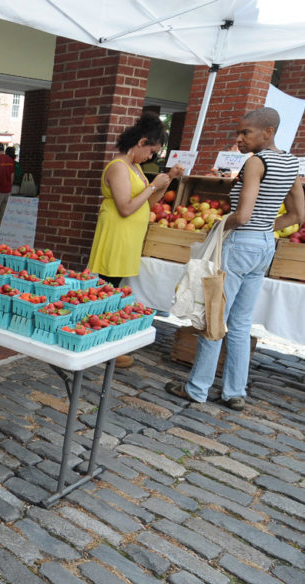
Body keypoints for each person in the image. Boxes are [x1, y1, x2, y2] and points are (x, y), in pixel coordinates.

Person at [166, 107, 303, 411]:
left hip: (240, 243)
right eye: (239, 132)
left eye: (246, 132)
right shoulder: (291, 163)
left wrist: (219, 226)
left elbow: (242, 215)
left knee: (215, 316)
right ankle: (234, 392)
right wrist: (265, 230)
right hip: (265, 245)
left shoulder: (256, 162)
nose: (239, 138)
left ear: (268, 132)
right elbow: (297, 215)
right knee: (240, 323)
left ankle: (198, 388)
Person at [87, 114, 183, 368]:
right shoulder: (119, 166)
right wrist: (153, 187)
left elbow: (148, 204)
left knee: (112, 288)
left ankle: (102, 340)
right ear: (141, 142)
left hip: (128, 236)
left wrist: (166, 181)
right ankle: (101, 342)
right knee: (106, 288)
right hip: (117, 233)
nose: (151, 157)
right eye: (151, 151)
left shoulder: (135, 167)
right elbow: (126, 208)